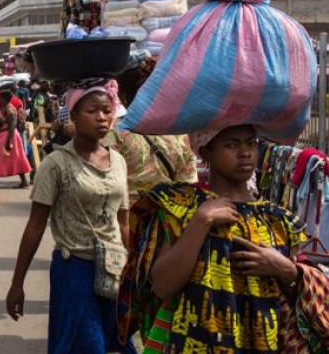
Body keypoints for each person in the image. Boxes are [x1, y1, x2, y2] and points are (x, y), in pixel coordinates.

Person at [119, 125, 306, 353]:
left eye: (251, 143)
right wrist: (201, 222)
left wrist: (283, 268)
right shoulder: (182, 207)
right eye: (231, 145)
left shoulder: (279, 221)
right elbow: (162, 286)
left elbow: (301, 292)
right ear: (205, 152)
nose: (245, 152)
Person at [6, 80, 136, 354]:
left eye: (106, 110)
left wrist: (135, 271)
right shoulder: (56, 164)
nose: (102, 117)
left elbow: (123, 222)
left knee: (119, 341)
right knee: (88, 346)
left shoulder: (119, 162)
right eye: (92, 111)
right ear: (73, 115)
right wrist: (17, 284)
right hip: (74, 269)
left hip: (114, 268)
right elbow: (35, 226)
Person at [110, 57, 198, 201]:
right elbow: (189, 187)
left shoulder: (114, 132)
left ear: (124, 96)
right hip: (168, 220)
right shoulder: (180, 134)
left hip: (125, 220)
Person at [0, 91, 32, 189]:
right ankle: (23, 182)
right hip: (5, 135)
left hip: (9, 136)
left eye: (0, 98)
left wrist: (8, 141)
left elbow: (12, 125)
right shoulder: (5, 108)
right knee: (16, 158)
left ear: (4, 99)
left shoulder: (10, 109)